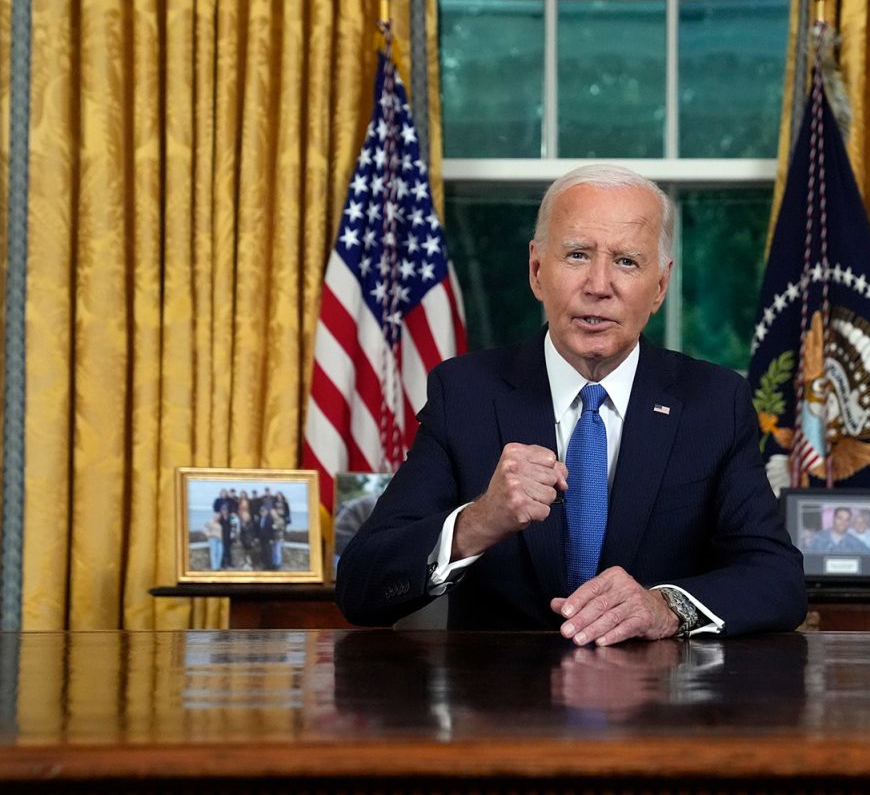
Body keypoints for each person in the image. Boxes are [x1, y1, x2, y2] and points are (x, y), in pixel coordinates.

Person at [337, 164, 806, 644]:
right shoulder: (465, 394)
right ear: (538, 271)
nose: (599, 285)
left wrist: (665, 607)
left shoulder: (713, 402)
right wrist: (479, 522)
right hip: (501, 704)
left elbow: (777, 578)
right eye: (578, 255)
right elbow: (361, 588)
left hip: (658, 707)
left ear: (660, 286)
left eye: (627, 261)